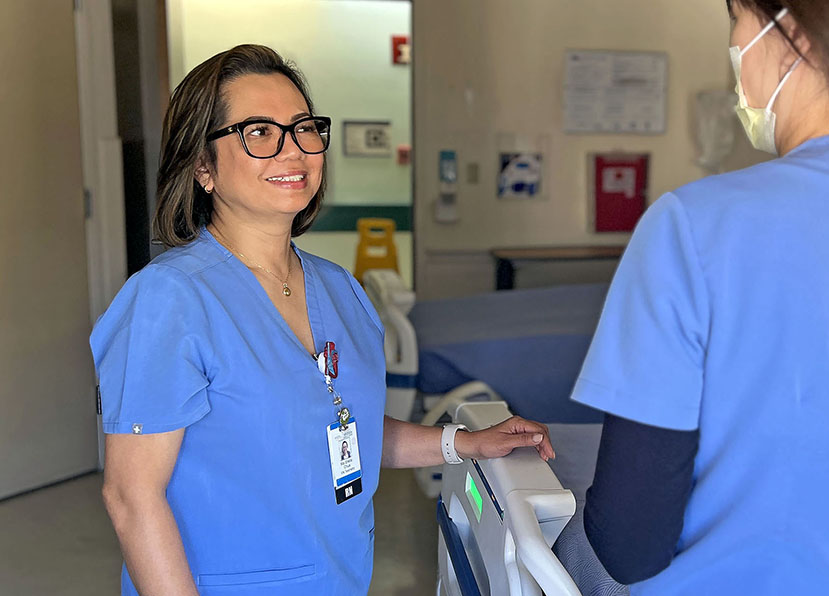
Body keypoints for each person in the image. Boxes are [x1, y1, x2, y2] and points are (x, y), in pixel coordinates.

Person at [91, 45, 555, 596]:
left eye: (304, 128)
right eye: (258, 132)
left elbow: (340, 429)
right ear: (202, 166)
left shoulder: (340, 290)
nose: (294, 151)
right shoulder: (169, 302)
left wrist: (462, 444)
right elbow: (130, 497)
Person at [572, 1, 829, 594]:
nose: (734, 51)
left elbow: (629, 543)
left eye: (736, 23)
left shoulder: (695, 227)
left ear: (789, 34)